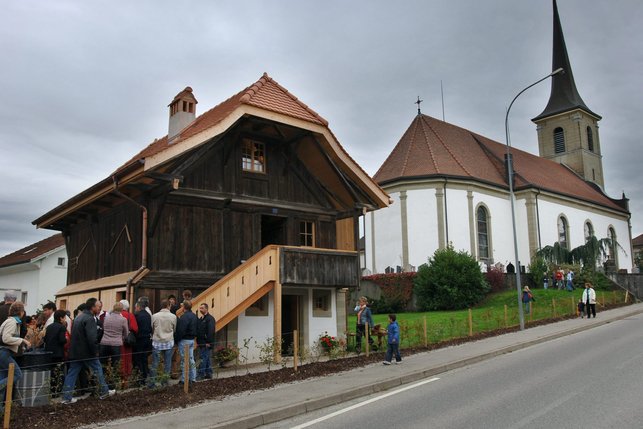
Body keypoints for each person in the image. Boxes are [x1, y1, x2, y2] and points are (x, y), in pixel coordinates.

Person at [61, 298, 115, 404]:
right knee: (98, 369)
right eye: (98, 306)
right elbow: (91, 338)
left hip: (76, 351)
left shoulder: (78, 317)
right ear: (92, 307)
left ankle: (66, 397)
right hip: (87, 352)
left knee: (72, 373)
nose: (100, 308)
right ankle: (104, 391)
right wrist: (95, 351)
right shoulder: (90, 319)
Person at [0, 301, 30, 410]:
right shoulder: (12, 322)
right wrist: (22, 340)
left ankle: (1, 411)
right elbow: (6, 338)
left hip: (3, 352)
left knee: (3, 379)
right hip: (4, 353)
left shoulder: (10, 321)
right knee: (17, 374)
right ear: (21, 312)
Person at [99, 302, 129, 390]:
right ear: (121, 310)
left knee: (103, 364)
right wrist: (121, 337)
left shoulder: (106, 318)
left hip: (104, 343)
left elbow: (104, 329)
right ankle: (113, 385)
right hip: (116, 344)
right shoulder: (123, 320)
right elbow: (126, 334)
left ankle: (102, 383)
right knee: (115, 365)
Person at [148, 299, 177, 388]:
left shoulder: (154, 316)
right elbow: (174, 329)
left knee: (155, 363)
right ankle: (164, 382)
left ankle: (152, 383)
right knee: (167, 363)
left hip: (157, 341)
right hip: (168, 341)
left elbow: (151, 328)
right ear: (169, 305)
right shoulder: (173, 316)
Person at [44, 309, 68, 396]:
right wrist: (66, 340)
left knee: (51, 373)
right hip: (58, 353)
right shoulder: (62, 327)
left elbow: (45, 339)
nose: (65, 319)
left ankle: (50, 390)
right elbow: (62, 340)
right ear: (61, 318)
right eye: (64, 317)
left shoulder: (49, 327)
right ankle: (57, 392)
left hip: (49, 353)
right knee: (58, 373)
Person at [175, 299, 197, 386]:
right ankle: (193, 378)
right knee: (191, 359)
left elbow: (181, 331)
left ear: (183, 307)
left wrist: (177, 340)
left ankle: (184, 380)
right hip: (192, 340)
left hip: (185, 341)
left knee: (184, 360)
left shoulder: (184, 317)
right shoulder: (194, 316)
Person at [118, 299, 138, 386]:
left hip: (118, 340)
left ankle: (119, 379)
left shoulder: (116, 314)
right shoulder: (130, 315)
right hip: (128, 341)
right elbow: (135, 328)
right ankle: (126, 380)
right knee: (127, 359)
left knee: (119, 359)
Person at [133, 300, 152, 387]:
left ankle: (140, 378)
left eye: (136, 307)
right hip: (147, 339)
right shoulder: (148, 315)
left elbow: (135, 328)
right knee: (144, 358)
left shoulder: (137, 315)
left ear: (139, 307)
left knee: (138, 359)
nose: (135, 309)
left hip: (139, 339)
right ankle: (145, 375)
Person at [196, 303, 216, 381]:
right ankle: (209, 373)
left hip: (206, 343)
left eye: (202, 308)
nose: (200, 310)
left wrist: (208, 342)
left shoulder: (210, 319)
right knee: (206, 358)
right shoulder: (201, 319)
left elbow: (211, 331)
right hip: (201, 342)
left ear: (206, 309)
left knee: (203, 358)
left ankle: (201, 375)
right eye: (200, 308)